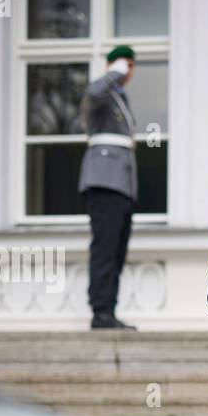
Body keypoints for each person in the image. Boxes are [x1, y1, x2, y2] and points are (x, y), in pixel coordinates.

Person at [78, 45, 139, 330]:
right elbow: (92, 93)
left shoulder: (120, 98)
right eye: (125, 66)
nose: (129, 72)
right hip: (104, 180)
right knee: (104, 248)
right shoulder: (103, 95)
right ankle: (100, 310)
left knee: (116, 250)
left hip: (121, 183)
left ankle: (109, 310)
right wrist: (114, 71)